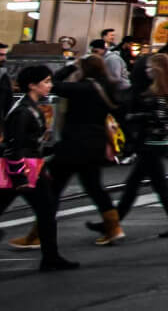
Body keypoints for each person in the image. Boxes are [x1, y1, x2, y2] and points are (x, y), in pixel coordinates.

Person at [93, 53, 168, 243]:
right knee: (136, 184)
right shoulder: (167, 90)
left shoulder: (157, 92)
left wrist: (133, 117)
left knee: (152, 186)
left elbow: (157, 118)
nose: (147, 71)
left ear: (159, 71)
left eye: (151, 68)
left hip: (152, 143)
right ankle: (113, 222)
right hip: (157, 142)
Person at [35, 57, 120, 258]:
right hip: (96, 143)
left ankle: (37, 234)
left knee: (52, 188)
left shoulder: (81, 88)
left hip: (73, 144)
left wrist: (69, 67)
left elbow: (53, 86)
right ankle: (113, 227)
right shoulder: (107, 87)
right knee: (94, 186)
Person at [3, 65, 73, 270]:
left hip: (31, 166)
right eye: (46, 82)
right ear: (32, 85)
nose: (50, 86)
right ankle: (51, 257)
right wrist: (20, 177)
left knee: (46, 210)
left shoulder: (32, 107)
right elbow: (14, 146)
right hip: (23, 167)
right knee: (46, 210)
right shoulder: (23, 111)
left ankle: (51, 257)